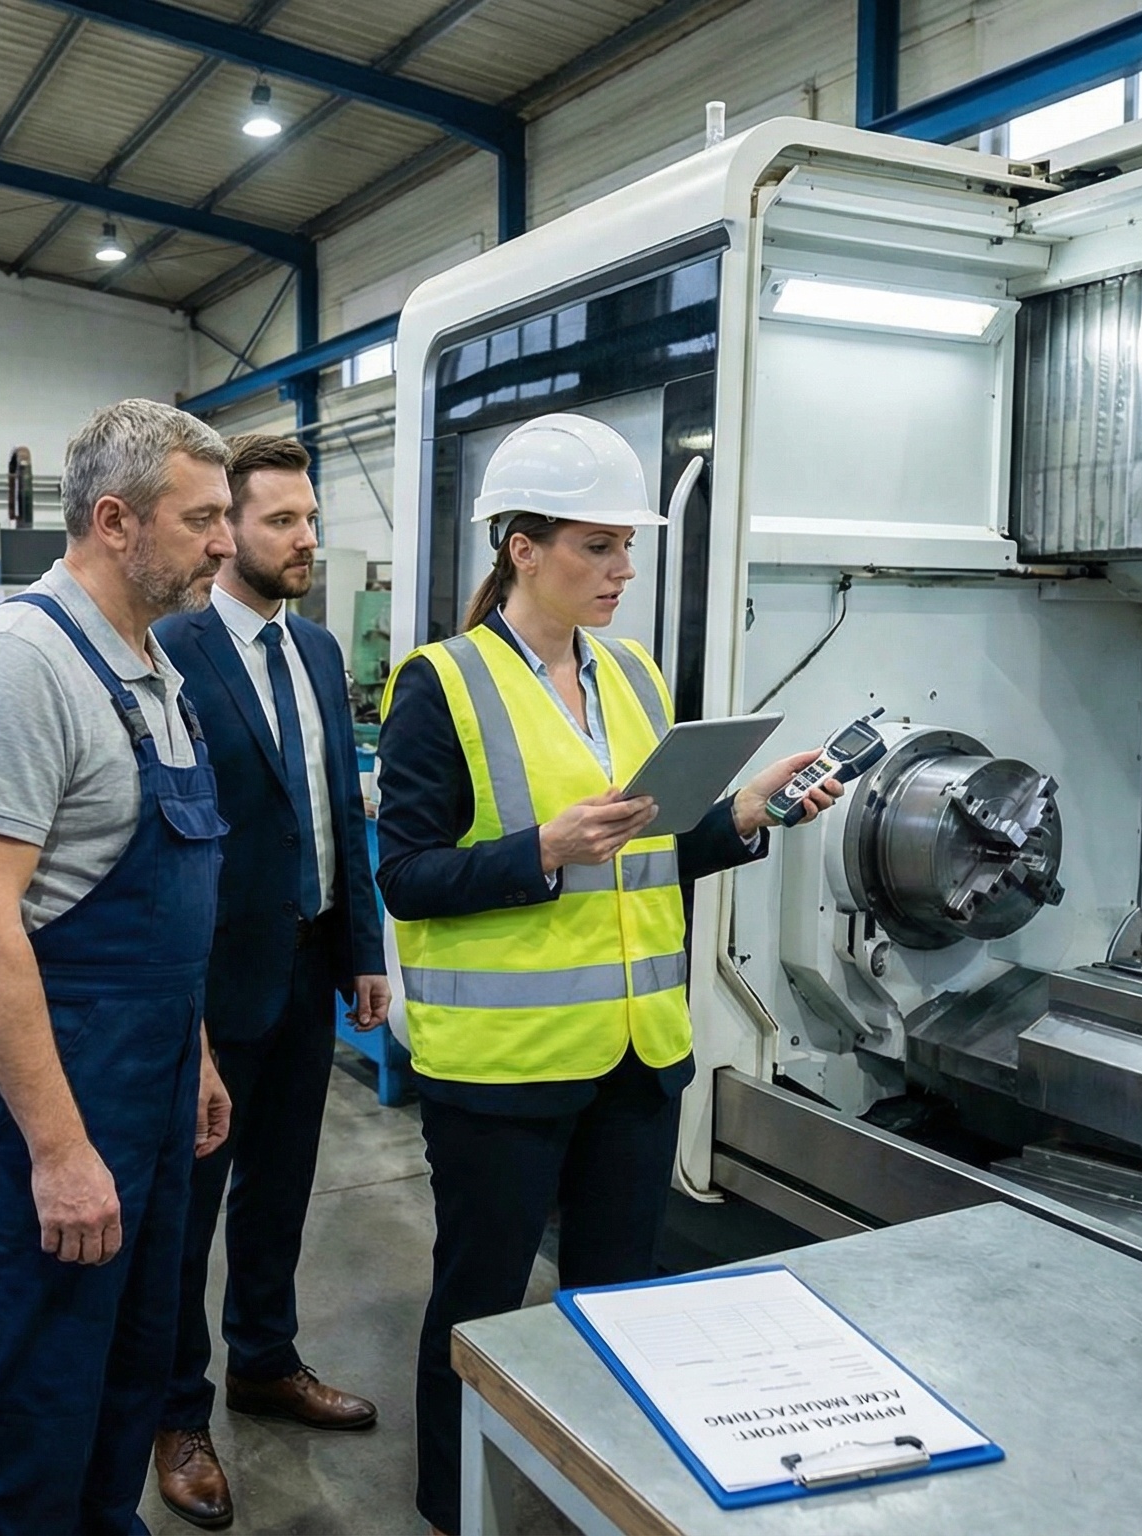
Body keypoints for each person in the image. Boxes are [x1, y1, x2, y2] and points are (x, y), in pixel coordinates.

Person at [373, 412, 843, 1536]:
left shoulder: (632, 677)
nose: (622, 571)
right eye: (597, 546)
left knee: (619, 1304)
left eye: (627, 548)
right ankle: (456, 1504)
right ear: (521, 548)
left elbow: (657, 846)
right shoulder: (439, 685)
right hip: (505, 1072)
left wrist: (746, 811)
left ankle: (594, 1498)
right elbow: (407, 876)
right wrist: (539, 849)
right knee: (482, 1304)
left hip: (640, 1057)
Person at [0, 398, 240, 1536]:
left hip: (148, 1086)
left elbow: (166, 910)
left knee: (125, 1378)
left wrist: (193, 1056)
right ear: (116, 521)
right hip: (48, 1104)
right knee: (29, 1407)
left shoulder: (154, 668)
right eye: (202, 518)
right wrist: (59, 1153)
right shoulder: (22, 666)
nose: (225, 542)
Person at [147, 435, 391, 1530]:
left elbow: (335, 810)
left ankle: (265, 1361)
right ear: (226, 531)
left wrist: (363, 950)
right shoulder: (169, 652)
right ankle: (174, 1411)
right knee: (185, 1211)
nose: (306, 539)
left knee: (283, 1185)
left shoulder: (324, 651)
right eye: (282, 521)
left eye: (309, 518)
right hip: (206, 985)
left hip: (306, 965)